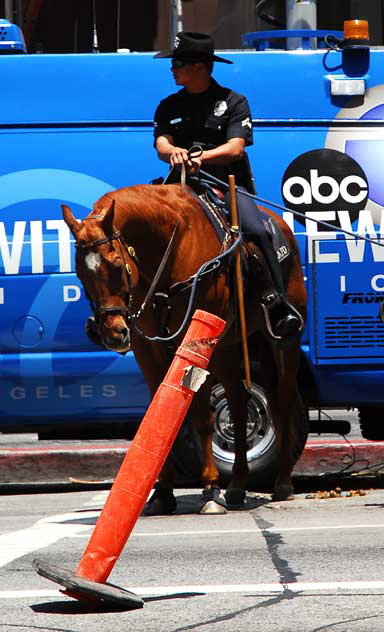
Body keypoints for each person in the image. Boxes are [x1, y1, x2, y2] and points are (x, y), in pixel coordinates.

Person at [153, 31, 301, 341]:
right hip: (181, 185)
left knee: (258, 230)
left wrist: (200, 157)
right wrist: (174, 152)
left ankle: (276, 302)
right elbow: (161, 144)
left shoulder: (234, 101)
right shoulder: (168, 105)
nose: (172, 69)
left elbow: (235, 148)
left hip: (227, 185)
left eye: (178, 63)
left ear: (200, 67)